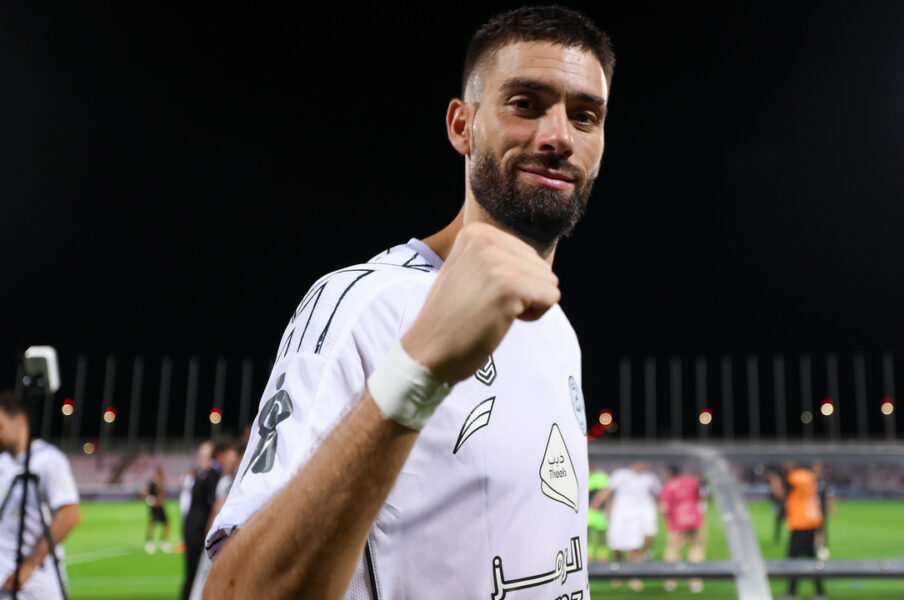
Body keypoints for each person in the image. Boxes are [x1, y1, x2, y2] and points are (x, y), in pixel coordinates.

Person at [204, 6, 614, 598]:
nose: (559, 137)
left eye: (585, 116)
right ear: (462, 126)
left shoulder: (559, 331)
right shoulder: (365, 305)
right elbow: (236, 591)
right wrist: (415, 373)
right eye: (525, 103)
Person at [0, 391, 80, 599]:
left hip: (36, 586)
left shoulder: (47, 460)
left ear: (20, 422)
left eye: (0, 426)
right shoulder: (2, 463)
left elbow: (70, 514)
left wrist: (29, 565)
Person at [591, 462, 660, 591]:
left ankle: (634, 576)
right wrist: (596, 502)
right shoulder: (620, 475)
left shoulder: (649, 478)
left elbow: (657, 494)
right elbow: (608, 490)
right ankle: (619, 573)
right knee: (616, 546)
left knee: (634, 547)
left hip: (637, 518)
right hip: (620, 516)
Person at [183, 436, 237, 600]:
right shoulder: (213, 475)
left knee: (192, 573)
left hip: (191, 526)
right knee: (197, 574)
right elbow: (214, 506)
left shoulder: (203, 474)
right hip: (199, 530)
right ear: (220, 455)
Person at [769, 463, 825, 600]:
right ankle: (819, 592)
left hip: (801, 523)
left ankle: (792, 592)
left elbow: (780, 494)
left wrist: (774, 480)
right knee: (811, 558)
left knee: (793, 558)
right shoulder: (808, 476)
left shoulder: (796, 476)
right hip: (811, 521)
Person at [659, 465, 708, 593]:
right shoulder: (692, 482)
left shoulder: (668, 486)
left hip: (677, 523)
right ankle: (695, 582)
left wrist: (666, 521)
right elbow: (702, 497)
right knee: (696, 549)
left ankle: (671, 581)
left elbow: (663, 507)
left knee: (672, 551)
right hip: (694, 521)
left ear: (669, 473)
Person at [141, 466, 171, 553]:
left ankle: (163, 541)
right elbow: (144, 491)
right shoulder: (152, 483)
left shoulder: (161, 483)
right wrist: (150, 499)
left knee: (166, 524)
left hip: (160, 507)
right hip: (154, 507)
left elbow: (164, 495)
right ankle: (149, 542)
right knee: (152, 524)